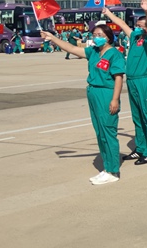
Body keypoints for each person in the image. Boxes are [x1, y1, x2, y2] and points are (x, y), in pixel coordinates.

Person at [43, 25, 125, 185]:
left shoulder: (114, 54)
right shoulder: (94, 52)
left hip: (106, 94)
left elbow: (119, 78)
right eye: (94, 34)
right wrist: (52, 38)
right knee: (100, 133)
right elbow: (73, 48)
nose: (95, 37)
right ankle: (107, 168)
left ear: (108, 37)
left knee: (108, 131)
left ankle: (113, 170)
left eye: (99, 34)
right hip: (93, 93)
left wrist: (115, 99)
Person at [103, 0, 147, 165]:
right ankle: (140, 148)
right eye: (139, 25)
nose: (139, 27)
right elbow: (122, 24)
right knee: (137, 116)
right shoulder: (135, 38)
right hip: (132, 81)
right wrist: (108, 13)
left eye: (143, 25)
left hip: (144, 81)